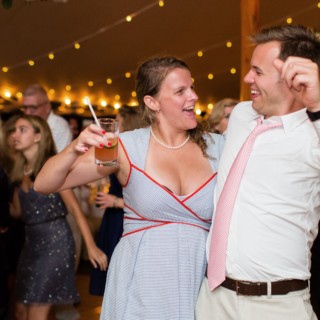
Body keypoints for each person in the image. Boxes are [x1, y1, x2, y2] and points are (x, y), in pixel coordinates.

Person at [34, 56, 224, 320]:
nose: (193, 96)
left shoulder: (219, 147)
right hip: (141, 280)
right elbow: (44, 183)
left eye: (192, 87)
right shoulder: (124, 147)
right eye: (181, 91)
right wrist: (73, 148)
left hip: (199, 282)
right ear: (152, 102)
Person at [196, 25, 320, 320]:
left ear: (293, 78)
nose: (247, 78)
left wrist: (316, 105)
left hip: (277, 305)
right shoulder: (240, 115)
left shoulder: (312, 134)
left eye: (258, 72)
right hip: (214, 299)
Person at [9, 115, 107, 320]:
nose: (14, 135)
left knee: (37, 313)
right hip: (31, 244)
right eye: (14, 130)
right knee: (20, 311)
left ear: (38, 136)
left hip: (55, 243)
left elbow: (75, 209)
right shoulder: (19, 171)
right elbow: (18, 211)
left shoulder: (51, 167)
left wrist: (91, 245)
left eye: (22, 130)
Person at [90, 105, 142, 296]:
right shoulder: (114, 149)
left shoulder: (135, 153)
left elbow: (151, 199)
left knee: (124, 282)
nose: (114, 126)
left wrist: (115, 202)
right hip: (112, 219)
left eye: (118, 121)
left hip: (125, 220)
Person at [22, 84, 72, 153]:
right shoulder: (26, 124)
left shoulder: (59, 127)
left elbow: (60, 161)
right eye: (25, 108)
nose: (27, 113)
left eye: (33, 108)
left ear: (47, 107)